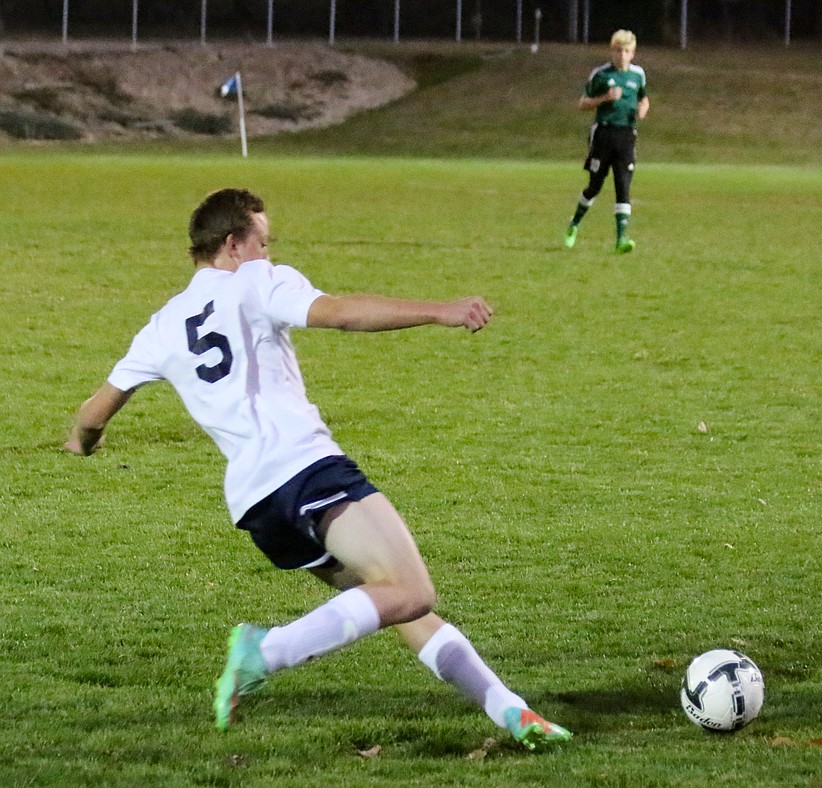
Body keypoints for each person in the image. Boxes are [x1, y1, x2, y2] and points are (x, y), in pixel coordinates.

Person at [65, 188, 572, 748]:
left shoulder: (162, 326)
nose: (268, 251)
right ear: (234, 245)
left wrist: (83, 443)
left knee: (390, 603)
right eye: (263, 241)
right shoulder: (254, 280)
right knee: (411, 590)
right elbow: (340, 314)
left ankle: (511, 712)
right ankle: (267, 650)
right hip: (306, 470)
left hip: (257, 505)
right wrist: (440, 311)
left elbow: (94, 413)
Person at [563, 29, 649, 254]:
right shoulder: (600, 75)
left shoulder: (638, 74)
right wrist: (604, 99)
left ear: (633, 54)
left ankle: (621, 239)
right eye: (618, 50)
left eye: (626, 51)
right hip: (603, 135)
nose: (622, 55)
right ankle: (574, 224)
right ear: (612, 51)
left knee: (623, 186)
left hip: (626, 135)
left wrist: (643, 109)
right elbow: (582, 103)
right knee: (595, 186)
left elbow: (644, 97)